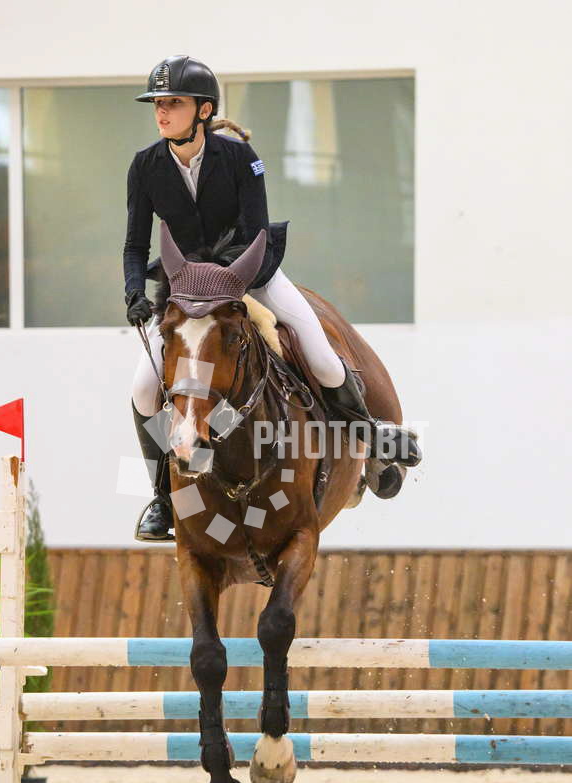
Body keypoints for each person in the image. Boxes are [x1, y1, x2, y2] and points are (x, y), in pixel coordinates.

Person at [125, 55, 419, 542]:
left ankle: (368, 437)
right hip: (187, 296)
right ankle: (163, 497)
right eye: (157, 103)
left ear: (203, 110)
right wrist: (134, 290)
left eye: (173, 102)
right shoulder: (145, 165)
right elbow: (135, 244)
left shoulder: (240, 158)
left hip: (249, 275)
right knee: (142, 390)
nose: (161, 112)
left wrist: (224, 280)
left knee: (322, 358)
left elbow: (255, 231)